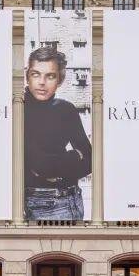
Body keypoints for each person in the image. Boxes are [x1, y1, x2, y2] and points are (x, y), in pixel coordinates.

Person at [23, 46, 92, 221]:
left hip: (74, 199)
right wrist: (74, 155)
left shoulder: (66, 109)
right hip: (40, 203)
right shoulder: (19, 108)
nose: (42, 82)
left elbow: (91, 160)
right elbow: (41, 165)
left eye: (50, 76)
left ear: (59, 80)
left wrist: (55, 169)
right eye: (36, 74)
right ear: (27, 76)